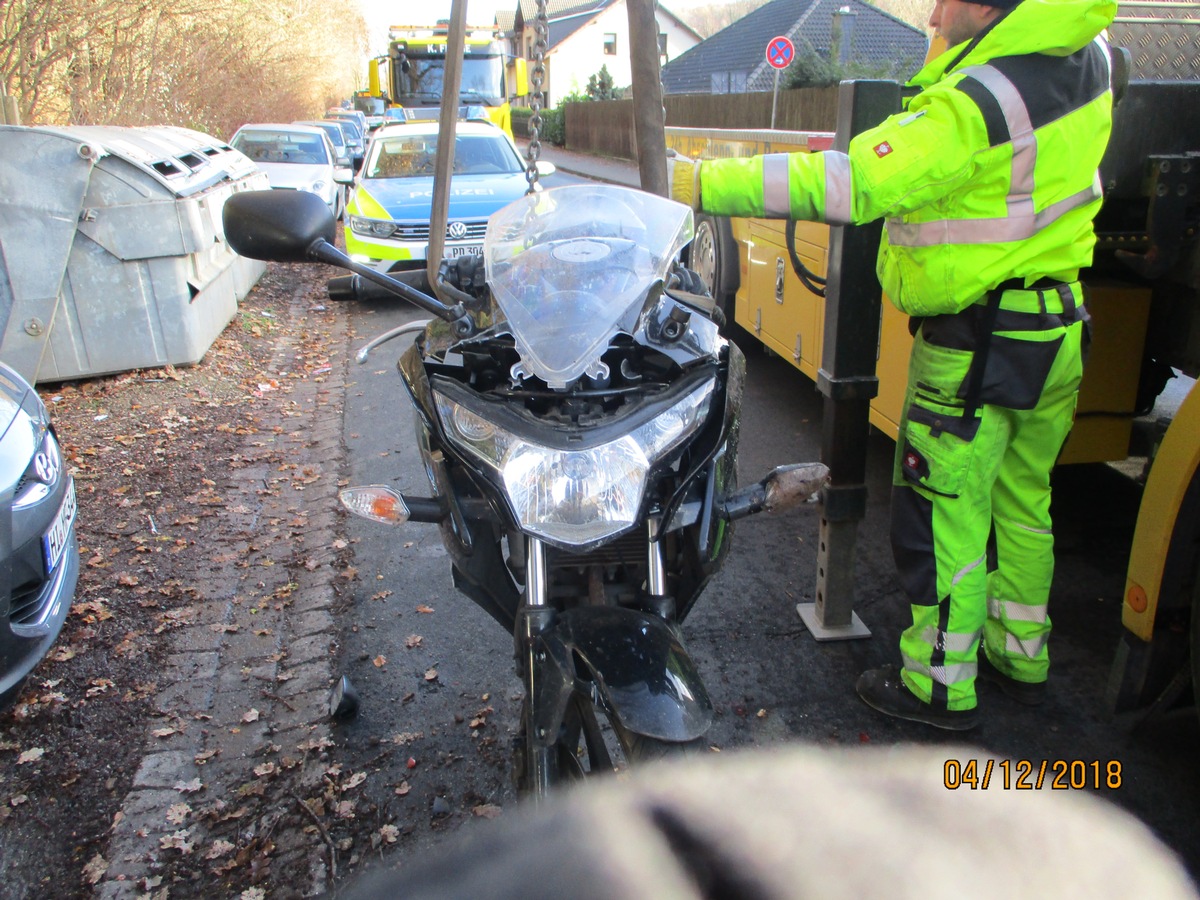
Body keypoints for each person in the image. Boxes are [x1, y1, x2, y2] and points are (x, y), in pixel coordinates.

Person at [668, 0, 1116, 730]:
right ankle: (1021, 653)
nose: (934, 11)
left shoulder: (977, 102)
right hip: (1059, 329)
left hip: (977, 346)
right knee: (1025, 504)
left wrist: (696, 184)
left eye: (948, 0)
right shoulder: (1090, 57)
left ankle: (938, 686)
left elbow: (848, 184)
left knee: (946, 520)